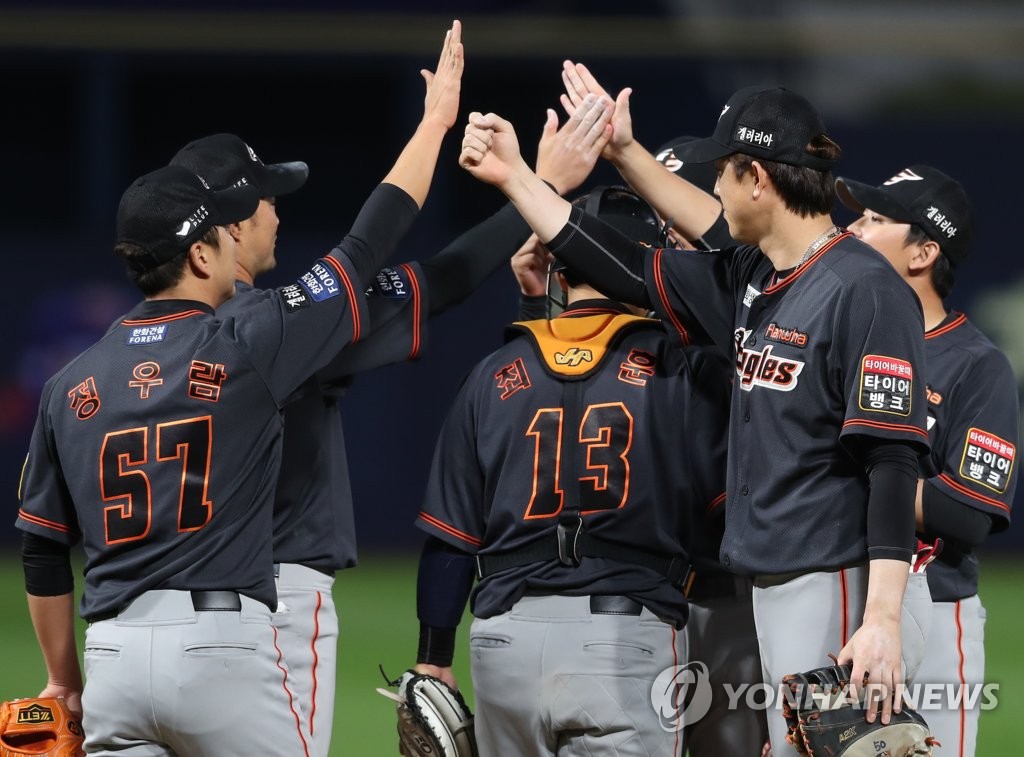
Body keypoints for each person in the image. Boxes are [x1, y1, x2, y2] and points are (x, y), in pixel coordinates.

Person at [15, 19, 462, 755]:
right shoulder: (247, 339)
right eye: (220, 235)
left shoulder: (70, 382)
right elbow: (364, 246)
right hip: (220, 648)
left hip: (115, 655)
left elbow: (41, 550)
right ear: (200, 251)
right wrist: (434, 126)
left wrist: (63, 681)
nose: (235, 237)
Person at [457, 78, 932, 756]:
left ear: (758, 178)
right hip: (779, 581)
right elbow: (625, 263)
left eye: (723, 174)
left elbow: (892, 459)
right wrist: (527, 179)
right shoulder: (754, 279)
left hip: (840, 581)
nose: (716, 192)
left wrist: (881, 615)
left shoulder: (865, 289)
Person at [162, 84, 610, 756]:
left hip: (160, 605)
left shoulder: (122, 351)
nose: (275, 212)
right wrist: (535, 188)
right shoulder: (288, 329)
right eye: (264, 199)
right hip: (272, 598)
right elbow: (439, 277)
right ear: (226, 228)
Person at [410, 185, 732, 756]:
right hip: (624, 638)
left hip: (504, 640)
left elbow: (451, 541)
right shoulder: (682, 370)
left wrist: (433, 657)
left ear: (559, 276)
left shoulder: (494, 373)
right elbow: (721, 519)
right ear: (648, 271)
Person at [837, 164, 1018, 756]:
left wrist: (852, 478)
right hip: (837, 600)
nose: (852, 229)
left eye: (874, 219)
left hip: (934, 608)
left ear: (923, 253)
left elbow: (968, 513)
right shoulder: (838, 335)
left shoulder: (976, 364)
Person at [652, 135, 770, 756]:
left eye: (679, 213)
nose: (668, 232)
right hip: (651, 586)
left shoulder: (753, 307)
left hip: (731, 584)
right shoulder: (655, 311)